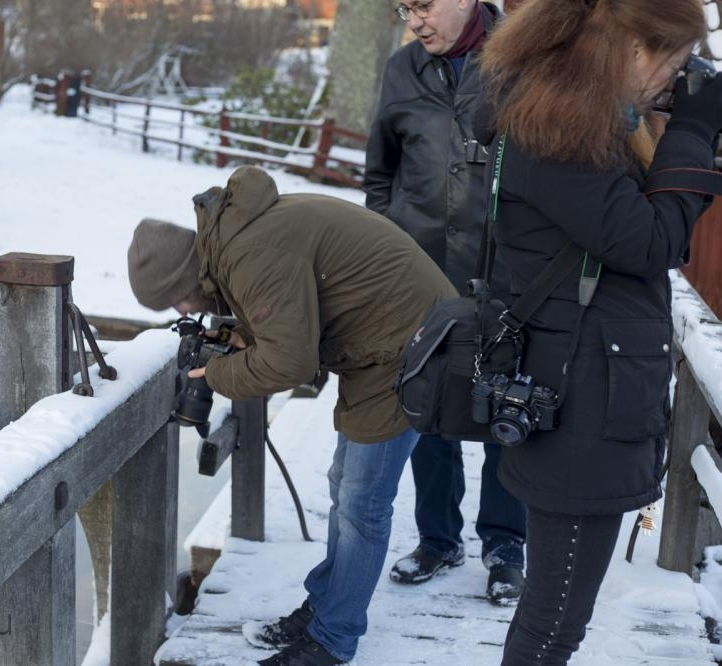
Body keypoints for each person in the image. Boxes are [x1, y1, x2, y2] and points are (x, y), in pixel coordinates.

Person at [127, 166, 455, 666]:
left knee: (362, 503)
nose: (182, 310)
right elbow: (292, 317)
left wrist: (215, 377)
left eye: (174, 300)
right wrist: (243, 340)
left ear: (186, 275)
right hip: (387, 339)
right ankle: (324, 610)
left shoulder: (250, 254)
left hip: (411, 347)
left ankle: (332, 641)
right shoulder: (235, 237)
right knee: (345, 484)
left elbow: (290, 363)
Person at [475, 0, 722, 663]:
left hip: (583, 388)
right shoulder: (554, 131)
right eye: (673, 61)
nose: (676, 78)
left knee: (555, 617)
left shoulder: (585, 120)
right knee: (554, 623)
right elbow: (651, 241)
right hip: (580, 401)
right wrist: (695, 129)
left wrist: (679, 123)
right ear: (633, 48)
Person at [363, 0, 527, 604]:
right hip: (420, 276)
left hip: (510, 275)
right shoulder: (402, 68)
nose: (414, 20)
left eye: (424, 5)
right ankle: (438, 539)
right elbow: (379, 174)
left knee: (507, 412)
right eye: (404, 8)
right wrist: (384, 252)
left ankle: (506, 544)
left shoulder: (525, 57)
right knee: (429, 410)